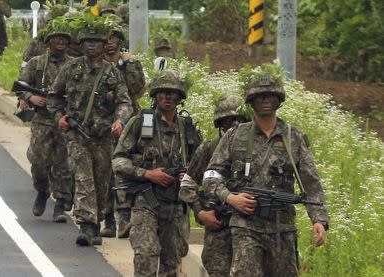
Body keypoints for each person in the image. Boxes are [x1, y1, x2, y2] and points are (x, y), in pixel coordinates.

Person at [203, 65, 329, 276]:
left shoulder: (293, 137)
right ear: (251, 101)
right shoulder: (235, 135)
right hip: (245, 227)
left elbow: (311, 183)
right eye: (260, 96)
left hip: (282, 229)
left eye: (270, 96)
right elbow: (211, 176)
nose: (265, 101)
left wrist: (319, 220)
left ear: (279, 100)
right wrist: (230, 198)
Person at [47, 25, 132, 246]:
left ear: (104, 46)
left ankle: (97, 222)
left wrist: (120, 121)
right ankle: (86, 225)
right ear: (81, 45)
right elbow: (54, 97)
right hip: (77, 135)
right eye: (86, 42)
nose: (91, 45)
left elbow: (124, 102)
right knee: (83, 178)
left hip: (103, 137)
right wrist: (60, 118)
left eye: (95, 42)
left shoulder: (112, 73)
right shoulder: (71, 68)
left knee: (101, 180)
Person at [112, 70, 201, 276]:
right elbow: (118, 160)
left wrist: (188, 175)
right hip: (146, 200)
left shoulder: (187, 128)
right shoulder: (141, 122)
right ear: (155, 95)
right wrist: (147, 174)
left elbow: (203, 166)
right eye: (163, 92)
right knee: (145, 255)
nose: (168, 97)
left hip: (176, 205)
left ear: (180, 98)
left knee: (172, 263)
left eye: (173, 93)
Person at [179, 95, 248, 276]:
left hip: (250, 229)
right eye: (228, 122)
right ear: (220, 125)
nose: (234, 127)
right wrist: (201, 212)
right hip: (219, 228)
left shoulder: (256, 150)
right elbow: (187, 184)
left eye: (239, 121)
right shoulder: (209, 149)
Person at [16, 25, 74, 223]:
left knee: (63, 164)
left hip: (64, 121)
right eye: (57, 39)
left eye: (65, 40)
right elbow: (20, 86)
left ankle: (60, 204)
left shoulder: (75, 65)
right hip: (41, 120)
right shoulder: (37, 63)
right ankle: (42, 191)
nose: (61, 43)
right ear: (49, 41)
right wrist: (31, 97)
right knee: (39, 162)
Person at [101, 24, 146, 239]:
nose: (110, 42)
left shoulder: (128, 63)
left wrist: (128, 63)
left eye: (114, 38)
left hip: (129, 122)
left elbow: (137, 87)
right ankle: (108, 218)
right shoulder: (95, 63)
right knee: (105, 172)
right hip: (102, 122)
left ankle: (125, 217)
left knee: (125, 168)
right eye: (107, 38)